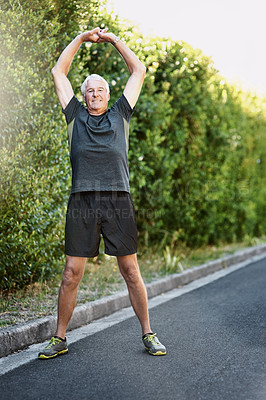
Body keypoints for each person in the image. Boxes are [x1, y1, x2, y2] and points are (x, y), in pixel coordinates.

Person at [38, 27, 166, 359]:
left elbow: (138, 70)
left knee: (130, 270)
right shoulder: (74, 117)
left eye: (100, 90)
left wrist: (113, 40)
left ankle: (148, 333)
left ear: (108, 96)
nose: (95, 94)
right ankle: (59, 338)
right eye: (89, 90)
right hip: (82, 201)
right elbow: (58, 72)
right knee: (71, 273)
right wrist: (80, 39)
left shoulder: (121, 114)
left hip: (118, 200)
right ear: (83, 96)